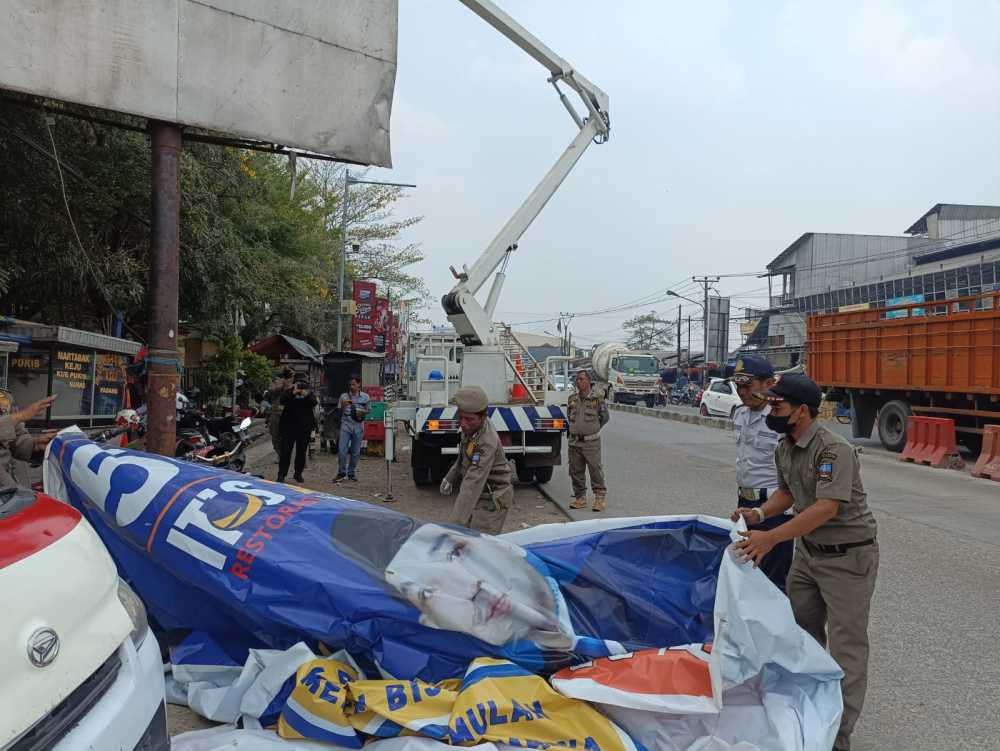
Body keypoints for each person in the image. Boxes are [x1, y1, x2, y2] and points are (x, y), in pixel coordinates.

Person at [733, 373, 878, 751]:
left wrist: (773, 537)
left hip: (848, 558)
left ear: (801, 410)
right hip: (809, 556)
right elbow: (787, 492)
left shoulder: (833, 450)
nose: (771, 408)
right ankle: (807, 716)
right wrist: (759, 516)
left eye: (778, 404)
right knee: (801, 638)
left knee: (847, 648)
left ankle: (837, 736)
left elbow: (826, 507)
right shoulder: (786, 445)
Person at [729, 355, 793, 591]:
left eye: (748, 385)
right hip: (745, 503)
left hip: (774, 506)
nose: (742, 392)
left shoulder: (780, 419)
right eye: (738, 386)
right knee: (747, 572)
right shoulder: (739, 414)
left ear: (768, 384)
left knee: (773, 580)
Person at [439, 385, 513, 534]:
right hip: (480, 495)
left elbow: (472, 483)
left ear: (483, 417)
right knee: (466, 539)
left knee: (479, 546)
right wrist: (450, 477)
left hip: (492, 500)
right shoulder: (473, 428)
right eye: (460, 417)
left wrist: (454, 527)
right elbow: (464, 453)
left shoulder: (486, 442)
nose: (463, 423)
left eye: (469, 419)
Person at [567, 370, 609, 511]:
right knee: (575, 470)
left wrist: (592, 429)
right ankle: (580, 498)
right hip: (574, 442)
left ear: (588, 381)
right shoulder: (572, 399)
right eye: (577, 379)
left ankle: (599, 498)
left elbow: (604, 417)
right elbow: (569, 416)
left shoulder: (597, 399)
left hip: (591, 442)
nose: (579, 382)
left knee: (595, 469)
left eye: (582, 379)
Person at [0, 391, 58, 486]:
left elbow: (15, 440)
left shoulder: (4, 397)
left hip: (11, 490)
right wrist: (19, 416)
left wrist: (35, 445)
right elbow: (16, 419)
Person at [277, 380, 317, 484]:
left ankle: (298, 474)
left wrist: (306, 394)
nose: (300, 387)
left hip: (304, 428)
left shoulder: (309, 393)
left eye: (302, 385)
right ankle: (281, 474)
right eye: (298, 385)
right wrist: (293, 392)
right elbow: (282, 401)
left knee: (301, 452)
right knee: (285, 451)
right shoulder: (289, 392)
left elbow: (314, 402)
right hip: (288, 427)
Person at [336, 376, 369, 482]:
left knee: (355, 452)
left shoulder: (365, 397)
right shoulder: (343, 396)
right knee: (342, 450)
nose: (351, 386)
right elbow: (339, 413)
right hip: (345, 426)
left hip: (358, 427)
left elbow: (369, 410)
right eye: (350, 384)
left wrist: (362, 412)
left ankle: (351, 473)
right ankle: (341, 472)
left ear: (359, 385)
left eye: (354, 384)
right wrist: (343, 406)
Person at [265, 368, 295, 458]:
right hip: (275, 415)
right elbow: (270, 393)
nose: (288, 378)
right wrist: (281, 385)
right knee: (275, 436)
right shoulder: (277, 387)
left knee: (287, 436)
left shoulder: (294, 387)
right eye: (288, 376)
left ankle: (285, 455)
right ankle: (280, 454)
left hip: (288, 415)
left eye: (291, 376)